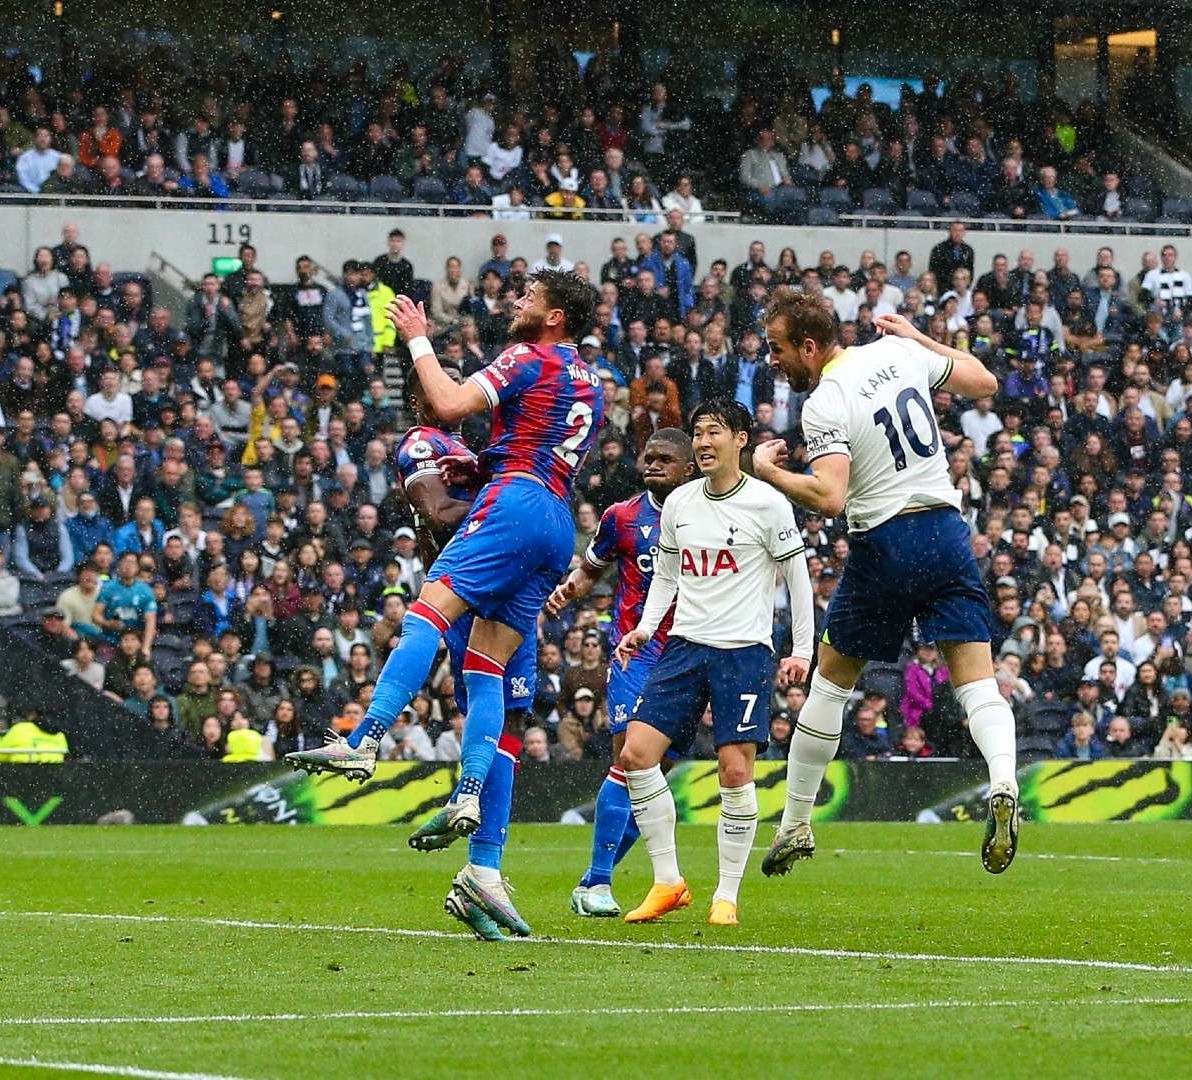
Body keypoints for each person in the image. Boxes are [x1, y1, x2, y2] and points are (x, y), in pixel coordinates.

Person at [290, 271, 601, 938]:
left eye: (530, 297)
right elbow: (540, 448)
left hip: (510, 510)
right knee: (488, 674)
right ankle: (477, 839)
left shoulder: (527, 356)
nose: (519, 302)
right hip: (554, 523)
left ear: (554, 318)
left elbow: (452, 402)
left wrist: (418, 341)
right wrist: (484, 464)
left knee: (423, 614)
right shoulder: (590, 380)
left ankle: (366, 740)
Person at [753, 292, 1019, 877]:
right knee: (977, 679)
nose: (770, 360)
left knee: (830, 683)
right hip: (947, 532)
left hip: (886, 539)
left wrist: (767, 471)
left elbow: (830, 497)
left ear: (809, 346)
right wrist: (922, 337)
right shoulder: (900, 351)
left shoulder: (826, 400)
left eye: (777, 349)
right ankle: (1002, 778)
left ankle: (795, 823)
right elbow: (985, 383)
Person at [611, 399, 813, 927]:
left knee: (734, 769)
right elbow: (667, 575)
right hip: (684, 645)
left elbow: (798, 580)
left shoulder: (768, 505)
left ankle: (726, 894)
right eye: (698, 433)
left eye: (714, 433)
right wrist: (646, 627)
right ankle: (667, 882)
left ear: (740, 439)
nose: (703, 442)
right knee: (636, 754)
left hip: (743, 652)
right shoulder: (679, 503)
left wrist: (801, 649)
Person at [543, 427, 695, 917]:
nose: (652, 464)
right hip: (637, 654)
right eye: (648, 456)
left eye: (665, 458)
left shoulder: (711, 515)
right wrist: (569, 589)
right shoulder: (622, 516)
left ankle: (591, 881)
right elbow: (592, 568)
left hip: (693, 656)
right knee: (630, 760)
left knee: (652, 776)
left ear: (689, 468)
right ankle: (602, 883)